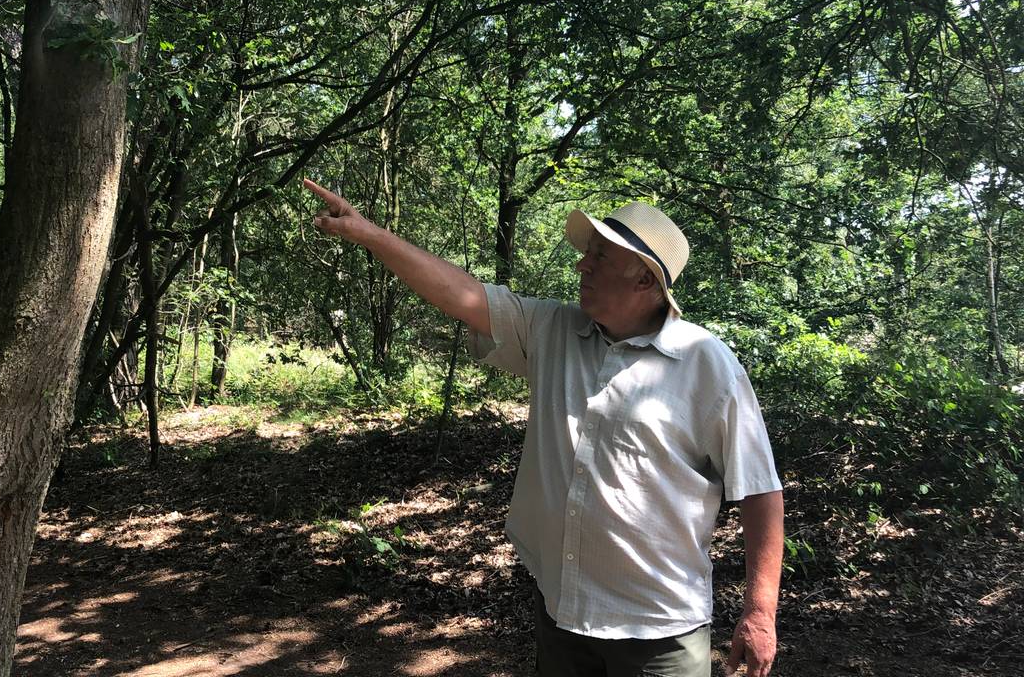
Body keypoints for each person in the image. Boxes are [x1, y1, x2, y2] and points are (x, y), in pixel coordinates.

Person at [304, 177, 784, 677]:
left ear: (645, 280)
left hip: (658, 631)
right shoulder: (553, 329)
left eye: (599, 256)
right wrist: (369, 234)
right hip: (562, 612)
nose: (582, 264)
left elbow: (759, 490)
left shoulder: (706, 365)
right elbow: (462, 295)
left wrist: (759, 612)